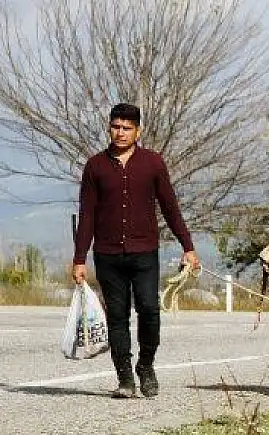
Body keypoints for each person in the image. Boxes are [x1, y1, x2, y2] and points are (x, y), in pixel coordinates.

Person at [72, 103, 199, 398]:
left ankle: (146, 365)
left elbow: (170, 207)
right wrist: (80, 259)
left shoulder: (153, 163)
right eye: (115, 126)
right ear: (109, 128)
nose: (120, 132)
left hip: (144, 252)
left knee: (150, 310)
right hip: (108, 254)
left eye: (127, 128)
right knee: (117, 316)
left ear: (137, 131)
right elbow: (87, 214)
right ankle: (125, 378)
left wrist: (188, 246)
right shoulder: (95, 166)